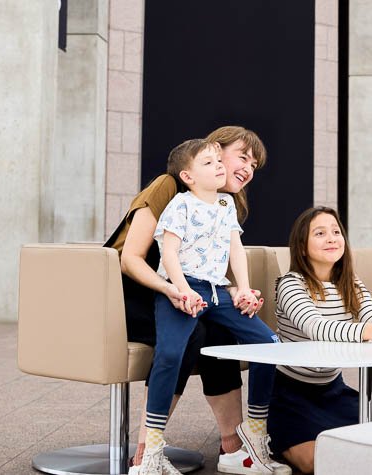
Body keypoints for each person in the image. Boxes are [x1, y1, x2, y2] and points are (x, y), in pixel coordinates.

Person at [105, 126, 287, 475]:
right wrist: (175, 290)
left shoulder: (223, 204)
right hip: (126, 294)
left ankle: (234, 447)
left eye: (255, 165)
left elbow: (209, 264)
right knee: (195, 336)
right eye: (242, 157)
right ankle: (146, 453)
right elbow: (131, 261)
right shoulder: (169, 187)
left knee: (219, 333)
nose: (249, 168)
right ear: (215, 150)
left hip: (184, 290)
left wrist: (236, 290)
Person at [269, 207, 372, 473]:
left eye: (336, 232)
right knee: (314, 462)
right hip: (292, 394)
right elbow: (316, 327)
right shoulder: (290, 283)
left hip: (333, 389)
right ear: (301, 247)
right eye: (320, 233)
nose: (332, 238)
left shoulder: (350, 282)